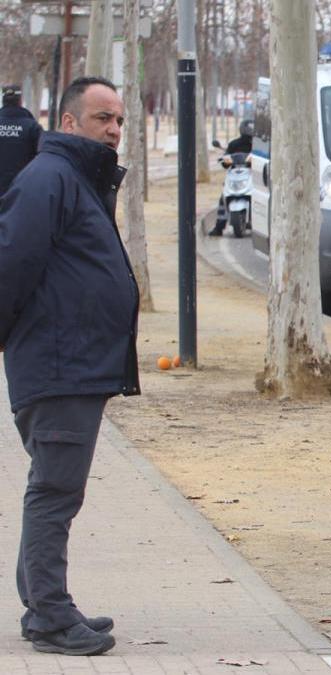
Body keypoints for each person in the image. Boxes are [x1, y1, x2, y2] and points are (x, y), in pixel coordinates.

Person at [0, 76, 140, 657]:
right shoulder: (49, 179)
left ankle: (45, 603)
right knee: (55, 490)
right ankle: (50, 616)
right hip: (60, 363)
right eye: (101, 118)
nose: (112, 130)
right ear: (67, 122)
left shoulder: (75, 177)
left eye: (118, 121)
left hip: (75, 361)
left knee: (55, 487)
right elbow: (11, 262)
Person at [207, 119, 255, 236]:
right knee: (223, 198)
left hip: (251, 174)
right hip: (235, 173)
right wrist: (225, 160)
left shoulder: (258, 145)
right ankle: (219, 227)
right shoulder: (234, 144)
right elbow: (226, 158)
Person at [0, 84, 43, 197]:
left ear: (3, 100)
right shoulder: (32, 127)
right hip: (23, 192)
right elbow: (43, 159)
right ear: (20, 101)